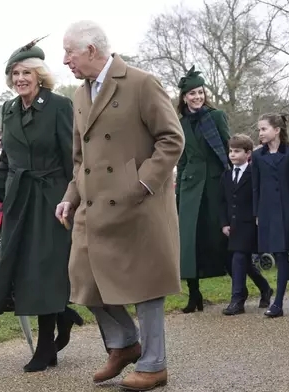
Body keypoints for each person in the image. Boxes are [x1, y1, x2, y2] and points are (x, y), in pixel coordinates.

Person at [56, 20, 184, 390]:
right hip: (93, 208)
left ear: (91, 51)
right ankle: (124, 343)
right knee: (84, 279)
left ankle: (154, 364)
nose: (65, 60)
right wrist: (70, 197)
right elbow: (81, 160)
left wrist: (141, 183)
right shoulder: (80, 94)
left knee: (145, 285)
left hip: (137, 206)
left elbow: (172, 139)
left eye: (70, 52)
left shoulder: (141, 83)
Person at [0, 40, 82, 373]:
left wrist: (75, 198)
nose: (20, 78)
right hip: (17, 199)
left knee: (45, 270)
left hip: (52, 199)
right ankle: (62, 319)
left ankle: (45, 346)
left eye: (26, 72)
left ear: (39, 75)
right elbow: (7, 159)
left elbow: (73, 158)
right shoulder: (9, 110)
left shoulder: (59, 105)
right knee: (22, 270)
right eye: (15, 73)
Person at [175, 66, 233, 313]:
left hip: (215, 184)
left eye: (200, 92)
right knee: (189, 242)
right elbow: (182, 157)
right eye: (192, 93)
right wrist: (178, 190)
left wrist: (232, 184)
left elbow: (228, 150)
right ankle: (194, 295)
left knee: (225, 239)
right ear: (184, 97)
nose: (197, 97)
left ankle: (255, 287)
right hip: (190, 188)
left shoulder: (216, 116)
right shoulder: (180, 123)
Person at [252, 113, 289, 318]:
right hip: (267, 210)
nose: (260, 133)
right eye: (259, 129)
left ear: (277, 130)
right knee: (279, 253)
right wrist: (256, 213)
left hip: (288, 210)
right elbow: (255, 187)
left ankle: (277, 303)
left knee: (282, 253)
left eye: (264, 129)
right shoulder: (258, 156)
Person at [220, 134, 273, 316]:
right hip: (233, 225)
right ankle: (265, 287)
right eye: (230, 151)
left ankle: (237, 300)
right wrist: (224, 223)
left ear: (248, 153)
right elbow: (223, 202)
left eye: (237, 151)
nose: (232, 155)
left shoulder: (253, 174)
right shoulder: (226, 175)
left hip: (250, 223)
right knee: (242, 261)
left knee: (239, 258)